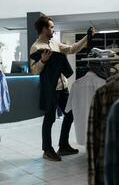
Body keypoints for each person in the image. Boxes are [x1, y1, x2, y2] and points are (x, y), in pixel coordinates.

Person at [30, 14, 95, 162]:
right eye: (51, 27)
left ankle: (63, 146)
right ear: (44, 28)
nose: (53, 30)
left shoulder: (54, 43)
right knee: (50, 118)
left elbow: (72, 49)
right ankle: (47, 149)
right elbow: (34, 70)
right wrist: (43, 60)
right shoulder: (36, 47)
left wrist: (87, 37)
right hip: (50, 89)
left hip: (63, 87)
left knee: (70, 113)